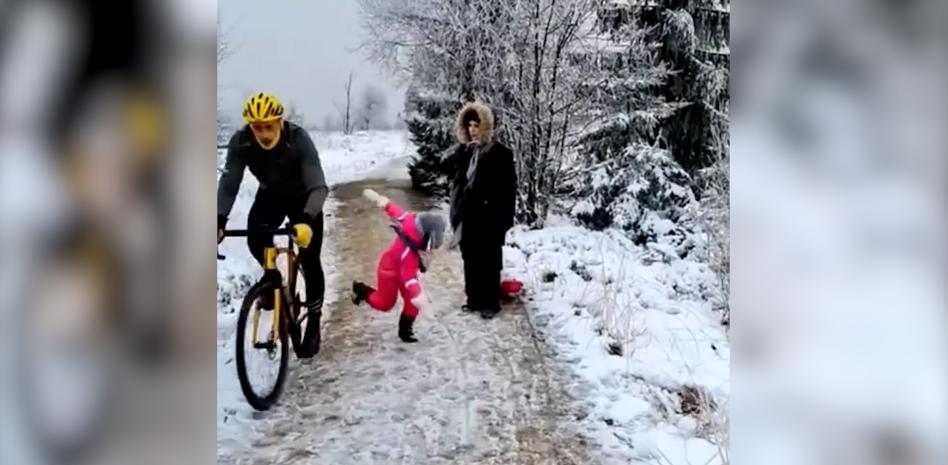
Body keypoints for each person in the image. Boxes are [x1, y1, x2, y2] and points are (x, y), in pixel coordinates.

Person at [217, 92, 328, 355]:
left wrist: (306, 220)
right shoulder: (241, 143)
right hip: (271, 195)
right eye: (258, 128)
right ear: (249, 127)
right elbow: (229, 184)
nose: (264, 134)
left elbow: (319, 186)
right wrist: (218, 218)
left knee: (310, 259)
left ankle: (313, 322)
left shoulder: (298, 140)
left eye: (269, 126)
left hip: (304, 199)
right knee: (256, 238)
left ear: (280, 122)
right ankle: (272, 280)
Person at [443, 101, 517, 319]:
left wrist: (504, 220)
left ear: (485, 126)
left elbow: (508, 189)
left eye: (476, 125)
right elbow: (453, 177)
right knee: (471, 259)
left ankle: (490, 303)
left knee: (490, 260)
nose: (472, 130)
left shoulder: (500, 153)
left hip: (490, 217)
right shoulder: (465, 152)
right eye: (469, 126)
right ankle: (474, 299)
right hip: (468, 216)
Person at [352, 189, 447, 343]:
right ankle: (362, 291)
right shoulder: (408, 253)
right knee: (385, 303)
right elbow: (408, 278)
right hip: (389, 270)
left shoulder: (412, 222)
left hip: (405, 270)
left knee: (411, 303)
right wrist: (420, 298)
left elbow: (396, 211)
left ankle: (405, 330)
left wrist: (382, 201)